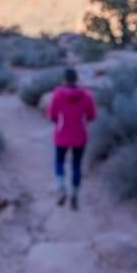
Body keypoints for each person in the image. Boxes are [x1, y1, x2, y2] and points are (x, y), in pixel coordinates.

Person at [47, 67, 96, 210]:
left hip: (62, 134)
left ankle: (61, 188)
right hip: (80, 135)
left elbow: (52, 116)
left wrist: (60, 122)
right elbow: (92, 116)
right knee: (76, 165)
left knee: (59, 162)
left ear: (64, 79)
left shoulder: (57, 95)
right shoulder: (87, 96)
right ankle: (75, 195)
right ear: (76, 79)